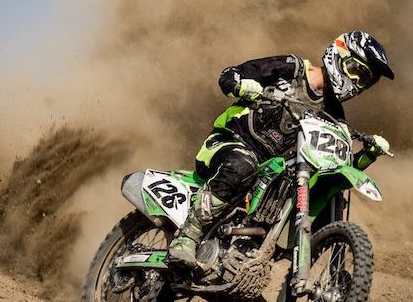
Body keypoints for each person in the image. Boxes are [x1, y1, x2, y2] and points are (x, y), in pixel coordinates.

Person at [167, 31, 395, 269]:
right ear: (339, 55)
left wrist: (369, 155)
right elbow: (230, 74)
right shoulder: (291, 69)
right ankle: (188, 235)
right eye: (357, 73)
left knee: (319, 191)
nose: (358, 84)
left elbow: (339, 167)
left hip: (270, 174)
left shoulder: (333, 113)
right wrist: (242, 85)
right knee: (244, 164)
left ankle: (255, 262)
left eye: (365, 81)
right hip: (229, 144)